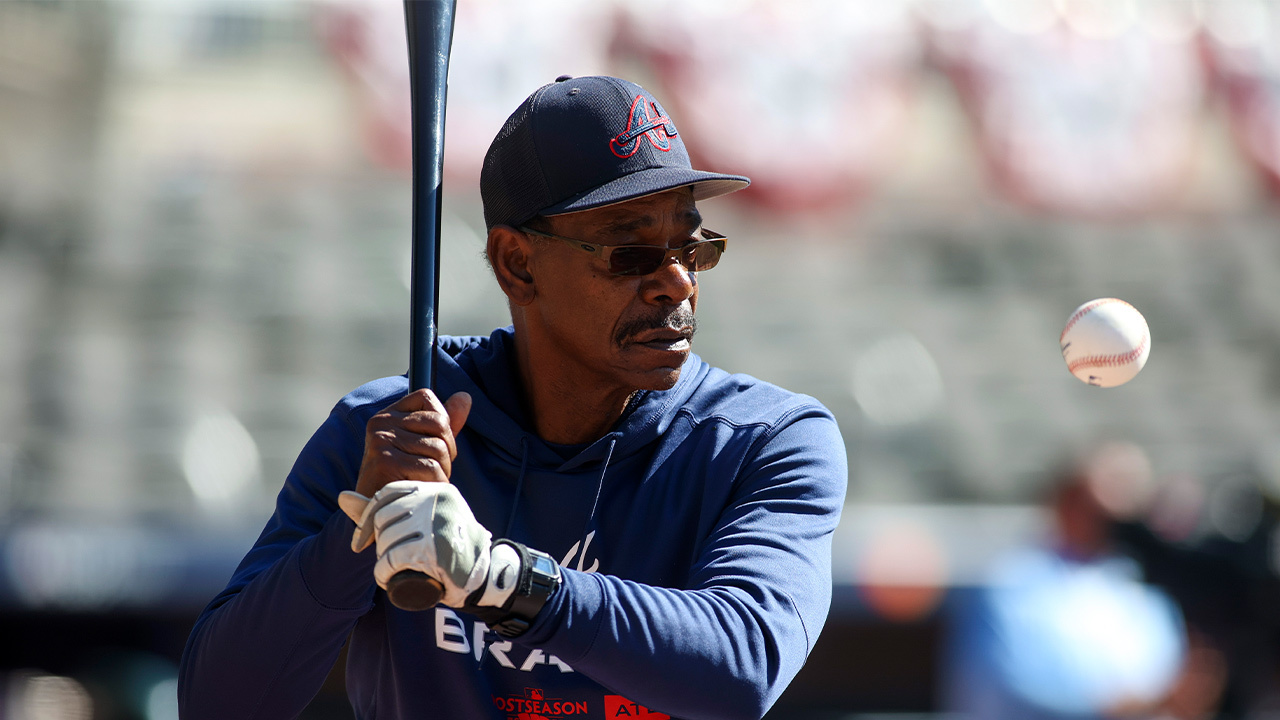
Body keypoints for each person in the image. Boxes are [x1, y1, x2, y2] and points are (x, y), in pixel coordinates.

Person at [177, 75, 848, 720]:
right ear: (517, 264)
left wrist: (498, 581)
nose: (677, 283)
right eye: (631, 252)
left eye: (691, 246)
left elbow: (742, 669)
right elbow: (219, 704)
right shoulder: (389, 433)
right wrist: (353, 542)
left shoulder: (767, 439)